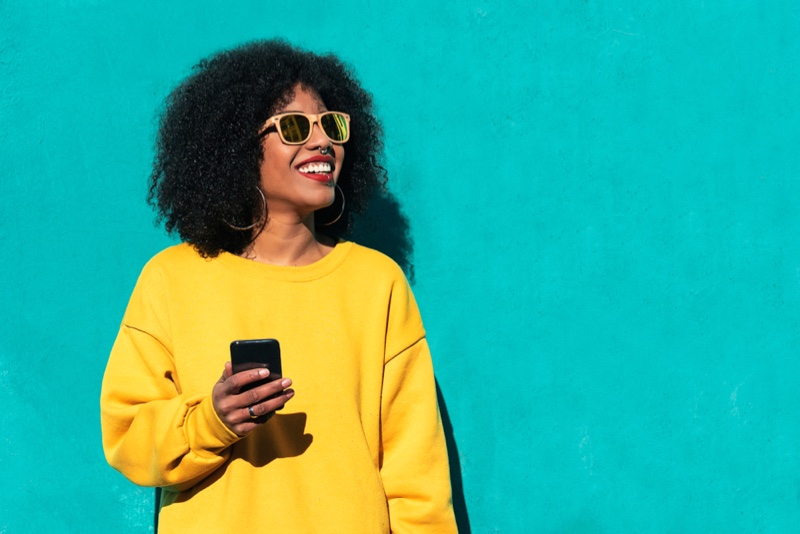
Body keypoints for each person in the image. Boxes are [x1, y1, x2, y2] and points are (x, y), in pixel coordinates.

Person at [100, 40, 457, 533]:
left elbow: (416, 474)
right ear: (238, 149)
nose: (322, 143)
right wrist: (212, 420)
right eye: (294, 127)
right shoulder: (172, 279)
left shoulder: (377, 284)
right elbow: (129, 435)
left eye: (331, 125)